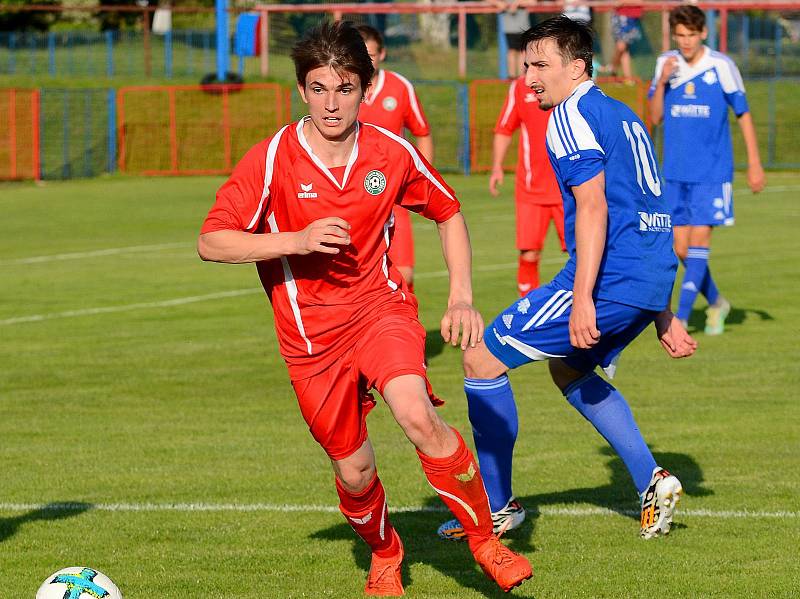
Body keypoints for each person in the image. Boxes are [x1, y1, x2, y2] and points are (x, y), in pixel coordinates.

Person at [197, 21, 532, 596]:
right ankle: (385, 552)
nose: (332, 103)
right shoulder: (272, 158)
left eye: (345, 88)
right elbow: (212, 240)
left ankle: (485, 542)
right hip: (309, 338)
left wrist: (461, 296)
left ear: (366, 88)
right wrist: (294, 240)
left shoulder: (389, 152)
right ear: (302, 90)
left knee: (416, 414)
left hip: (380, 310)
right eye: (320, 88)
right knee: (354, 470)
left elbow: (448, 212)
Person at [437, 16, 697, 543]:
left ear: (577, 68)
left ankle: (495, 507)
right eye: (525, 64)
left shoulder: (570, 117)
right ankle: (652, 478)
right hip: (645, 275)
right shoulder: (622, 116)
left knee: (481, 357)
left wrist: (582, 298)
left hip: (606, 279)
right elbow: (650, 209)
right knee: (569, 368)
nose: (528, 76)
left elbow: (596, 207)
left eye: (540, 65)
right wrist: (660, 309)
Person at [649, 5, 765, 335]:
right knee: (680, 248)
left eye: (691, 35)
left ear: (703, 33)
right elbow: (654, 117)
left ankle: (682, 318)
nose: (685, 42)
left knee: (699, 240)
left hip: (712, 172)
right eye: (679, 35)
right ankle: (716, 302)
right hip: (673, 172)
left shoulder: (722, 66)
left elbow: (743, 114)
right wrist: (661, 81)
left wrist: (754, 164)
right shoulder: (665, 64)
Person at [356, 24, 434, 291]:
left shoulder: (400, 87)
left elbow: (422, 131)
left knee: (405, 274)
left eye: (371, 54)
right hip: (353, 198)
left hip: (394, 195)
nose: (367, 61)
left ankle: (406, 331)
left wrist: (423, 178)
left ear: (383, 54)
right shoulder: (344, 90)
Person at [489, 72, 566, 297]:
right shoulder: (519, 88)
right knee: (528, 254)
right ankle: (528, 315)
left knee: (582, 253)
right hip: (531, 189)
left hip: (570, 189)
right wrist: (496, 166)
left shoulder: (569, 81)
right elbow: (504, 128)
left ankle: (586, 311)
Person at [490, 0, 530, 79]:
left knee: (522, 51)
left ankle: (521, 77)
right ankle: (511, 77)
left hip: (523, 27)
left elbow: (533, 1)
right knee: (511, 51)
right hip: (509, 28)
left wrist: (517, 3)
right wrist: (498, 3)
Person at [608, 3, 644, 80]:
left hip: (633, 17)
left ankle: (627, 77)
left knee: (625, 48)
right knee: (621, 46)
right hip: (621, 16)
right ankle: (613, 66)